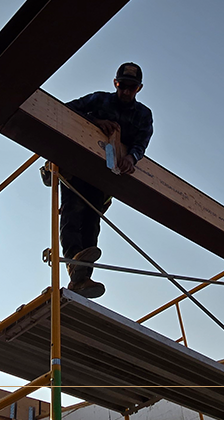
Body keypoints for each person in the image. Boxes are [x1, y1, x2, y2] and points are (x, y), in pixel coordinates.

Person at [51, 62, 154, 299]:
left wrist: (131, 157)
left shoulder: (142, 115)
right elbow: (65, 110)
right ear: (115, 83)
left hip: (104, 175)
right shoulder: (99, 100)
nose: (126, 92)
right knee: (72, 212)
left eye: (132, 87)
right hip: (77, 167)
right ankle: (73, 262)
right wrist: (94, 122)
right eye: (122, 86)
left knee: (91, 221)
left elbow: (142, 142)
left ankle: (82, 278)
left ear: (139, 88)